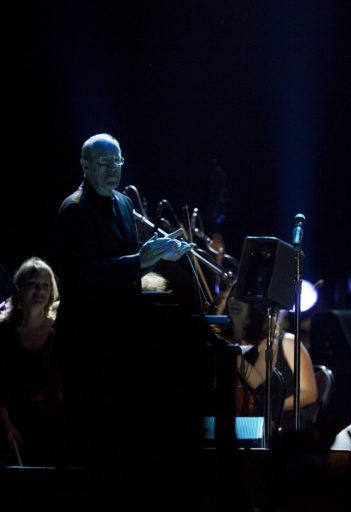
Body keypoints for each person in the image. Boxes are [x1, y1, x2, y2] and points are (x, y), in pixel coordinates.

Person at [53, 133, 193, 470]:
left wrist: (163, 255)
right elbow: (83, 276)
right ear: (85, 166)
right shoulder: (75, 209)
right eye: (104, 163)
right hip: (87, 341)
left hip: (121, 339)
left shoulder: (123, 203)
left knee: (121, 438)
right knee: (88, 439)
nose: (113, 169)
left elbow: (129, 263)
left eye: (118, 161)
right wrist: (139, 261)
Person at [221, 290, 318, 433]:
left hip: (282, 429)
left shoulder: (286, 342)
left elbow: (309, 393)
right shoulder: (231, 341)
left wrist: (270, 409)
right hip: (242, 426)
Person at [0, 257, 61, 466]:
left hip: (48, 420)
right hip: (10, 420)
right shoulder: (4, 331)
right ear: (20, 289)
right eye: (33, 285)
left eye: (45, 286)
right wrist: (6, 423)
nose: (40, 291)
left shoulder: (57, 330)